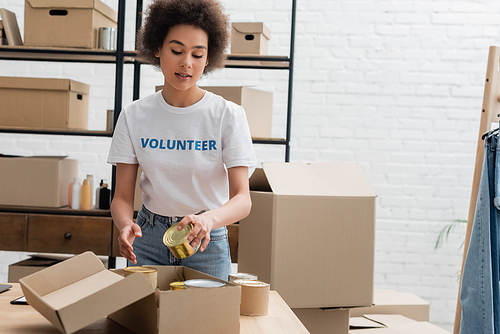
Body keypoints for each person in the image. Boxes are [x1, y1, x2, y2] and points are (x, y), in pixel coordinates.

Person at [107, 0, 256, 281]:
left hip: (205, 241)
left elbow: (242, 200)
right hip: (147, 241)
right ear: (157, 49)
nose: (186, 63)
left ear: (208, 58)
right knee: (142, 323)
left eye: (197, 54)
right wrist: (125, 224)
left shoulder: (228, 115)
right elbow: (123, 197)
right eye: (176, 50)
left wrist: (208, 220)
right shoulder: (134, 115)